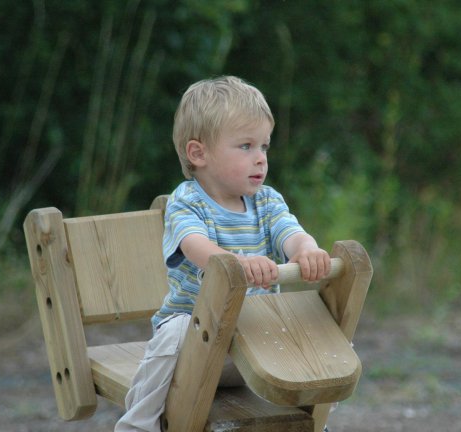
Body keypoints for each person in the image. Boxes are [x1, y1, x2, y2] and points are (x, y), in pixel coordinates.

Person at [115, 75, 331, 431]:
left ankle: (308, 421)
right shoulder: (187, 202)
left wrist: (307, 249)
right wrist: (239, 264)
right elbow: (195, 246)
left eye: (264, 146)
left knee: (318, 331)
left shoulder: (266, 201)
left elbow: (289, 232)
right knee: (172, 334)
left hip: (255, 339)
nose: (260, 159)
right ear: (198, 153)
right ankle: (138, 424)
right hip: (196, 336)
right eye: (246, 146)